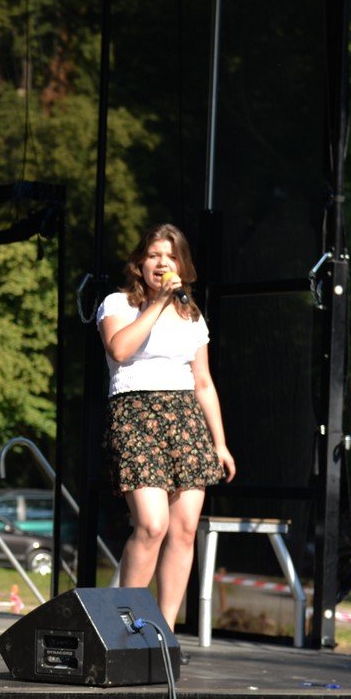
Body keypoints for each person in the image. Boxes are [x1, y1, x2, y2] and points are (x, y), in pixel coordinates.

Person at [97, 223, 236, 630]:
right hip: (135, 414)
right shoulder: (118, 303)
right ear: (140, 262)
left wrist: (220, 443)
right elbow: (119, 350)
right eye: (154, 255)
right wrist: (157, 303)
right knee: (152, 524)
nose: (162, 263)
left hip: (185, 418)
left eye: (170, 256)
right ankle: (124, 628)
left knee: (185, 528)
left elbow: (203, 382)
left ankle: (164, 632)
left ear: (182, 264)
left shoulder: (191, 315)